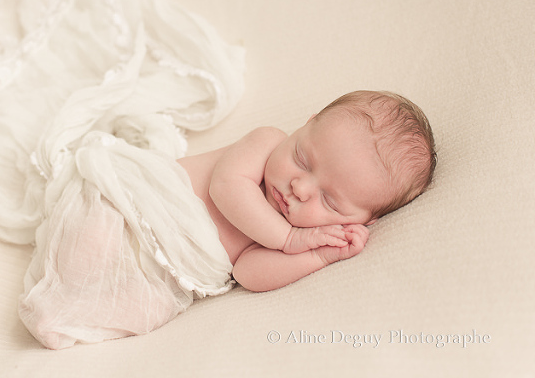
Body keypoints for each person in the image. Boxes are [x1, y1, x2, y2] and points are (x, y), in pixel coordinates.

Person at [178, 90, 436, 292]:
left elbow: (246, 273)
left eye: (329, 201)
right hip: (152, 202)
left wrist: (317, 255)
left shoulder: (303, 234)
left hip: (167, 272)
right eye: (301, 159)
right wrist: (288, 239)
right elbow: (225, 186)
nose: (299, 188)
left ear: (362, 221)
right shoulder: (267, 142)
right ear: (306, 125)